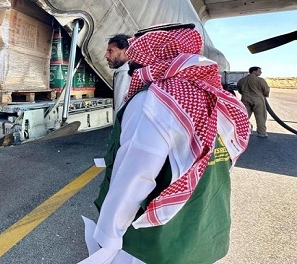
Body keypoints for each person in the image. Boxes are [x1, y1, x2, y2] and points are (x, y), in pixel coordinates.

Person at [80, 23, 250, 264]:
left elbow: (135, 176)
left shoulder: (155, 101)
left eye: (138, 51)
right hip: (206, 227)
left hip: (157, 239)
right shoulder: (216, 98)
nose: (133, 59)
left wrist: (109, 234)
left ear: (151, 54)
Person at [237, 66, 271, 138]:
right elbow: (266, 90)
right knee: (260, 116)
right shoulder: (260, 80)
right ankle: (262, 133)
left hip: (245, 99)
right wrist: (264, 95)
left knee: (244, 117)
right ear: (254, 71)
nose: (260, 72)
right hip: (257, 99)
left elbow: (239, 90)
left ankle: (240, 132)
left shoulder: (241, 80)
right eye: (259, 71)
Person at [105, 34, 131, 113]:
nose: (106, 55)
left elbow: (119, 109)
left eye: (110, 51)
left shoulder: (125, 72)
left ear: (126, 51)